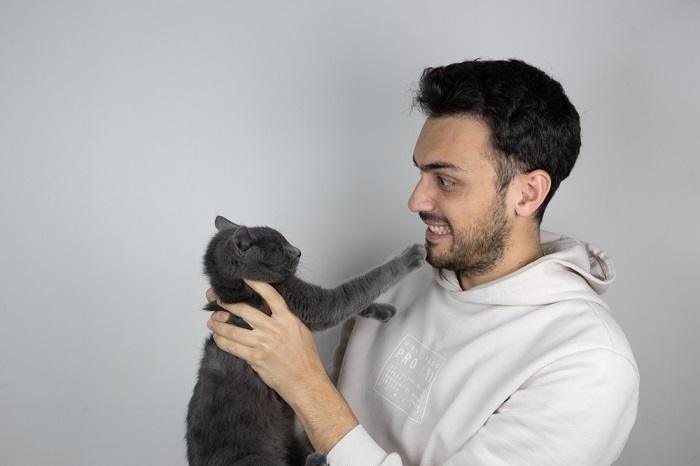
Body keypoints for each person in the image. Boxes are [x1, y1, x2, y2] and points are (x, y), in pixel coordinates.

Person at [206, 58, 640, 465]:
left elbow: (323, 408)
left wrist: (304, 383)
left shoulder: (587, 365)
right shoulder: (403, 284)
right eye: (420, 173)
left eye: (446, 180)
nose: (416, 200)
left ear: (527, 194)